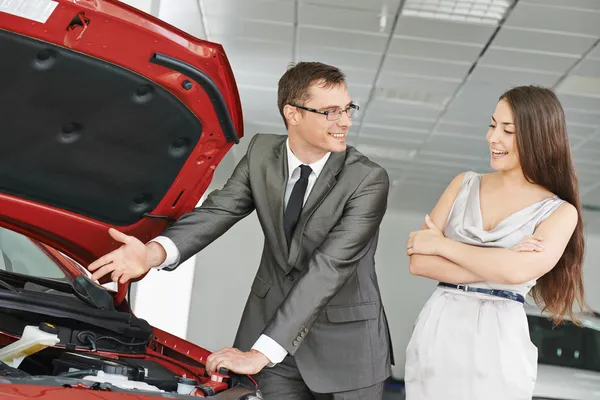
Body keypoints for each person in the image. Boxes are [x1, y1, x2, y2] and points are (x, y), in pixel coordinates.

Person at [87, 61, 393, 399]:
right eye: (331, 112)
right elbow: (220, 209)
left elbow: (329, 268)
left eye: (348, 109)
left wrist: (260, 352)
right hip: (269, 337)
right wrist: (152, 253)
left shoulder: (367, 179)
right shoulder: (261, 153)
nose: (345, 122)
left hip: (346, 350)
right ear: (292, 113)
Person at [404, 85, 586, 400]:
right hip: (440, 327)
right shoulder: (463, 184)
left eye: (508, 130)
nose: (492, 138)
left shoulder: (561, 212)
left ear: (538, 136)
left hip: (499, 338)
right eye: (492, 125)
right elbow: (419, 260)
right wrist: (502, 262)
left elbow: (515, 273)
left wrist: (442, 245)